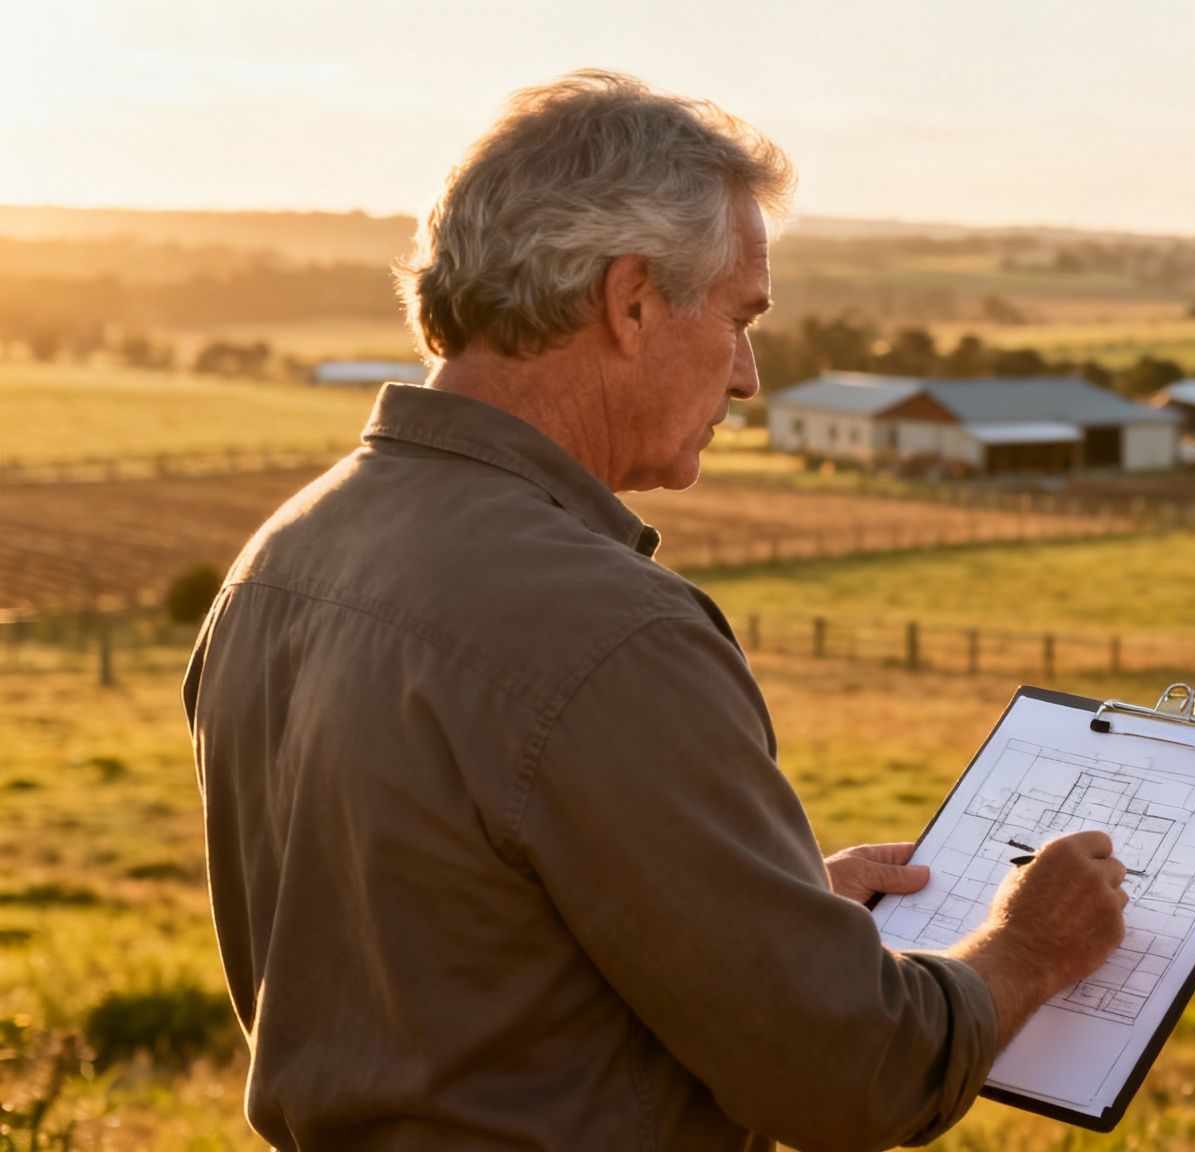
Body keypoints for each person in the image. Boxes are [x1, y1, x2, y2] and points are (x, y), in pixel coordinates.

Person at [182, 71, 1129, 1152]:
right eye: (738, 318)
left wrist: (759, 917)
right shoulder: (608, 631)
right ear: (631, 299)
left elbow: (444, 958)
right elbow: (856, 1075)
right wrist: (1024, 946)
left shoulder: (277, 560)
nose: (747, 377)